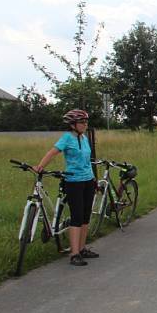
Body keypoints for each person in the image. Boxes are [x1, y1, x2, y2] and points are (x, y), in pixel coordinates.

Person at [33, 109, 98, 267]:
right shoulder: (67, 138)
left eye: (86, 122)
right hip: (74, 181)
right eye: (82, 122)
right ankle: (74, 253)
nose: (85, 125)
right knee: (76, 216)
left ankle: (82, 249)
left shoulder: (84, 138)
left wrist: (94, 179)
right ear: (73, 124)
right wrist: (40, 166)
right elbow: (52, 152)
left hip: (88, 180)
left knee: (85, 216)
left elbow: (88, 161)